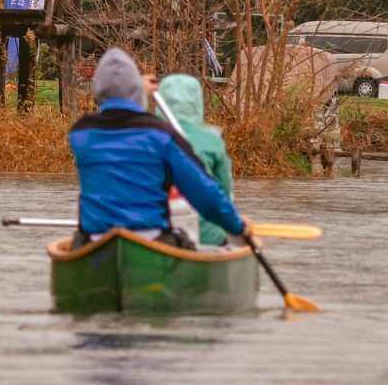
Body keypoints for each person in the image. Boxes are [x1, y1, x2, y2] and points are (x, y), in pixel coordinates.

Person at [69, 49, 252, 250]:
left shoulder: (80, 134)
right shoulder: (161, 135)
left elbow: (115, 111)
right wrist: (238, 227)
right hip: (152, 241)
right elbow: (204, 193)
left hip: (96, 243)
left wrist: (136, 88)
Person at [155, 73, 235, 248]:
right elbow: (225, 194)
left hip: (156, 237)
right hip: (207, 238)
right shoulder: (212, 140)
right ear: (197, 104)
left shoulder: (146, 139)